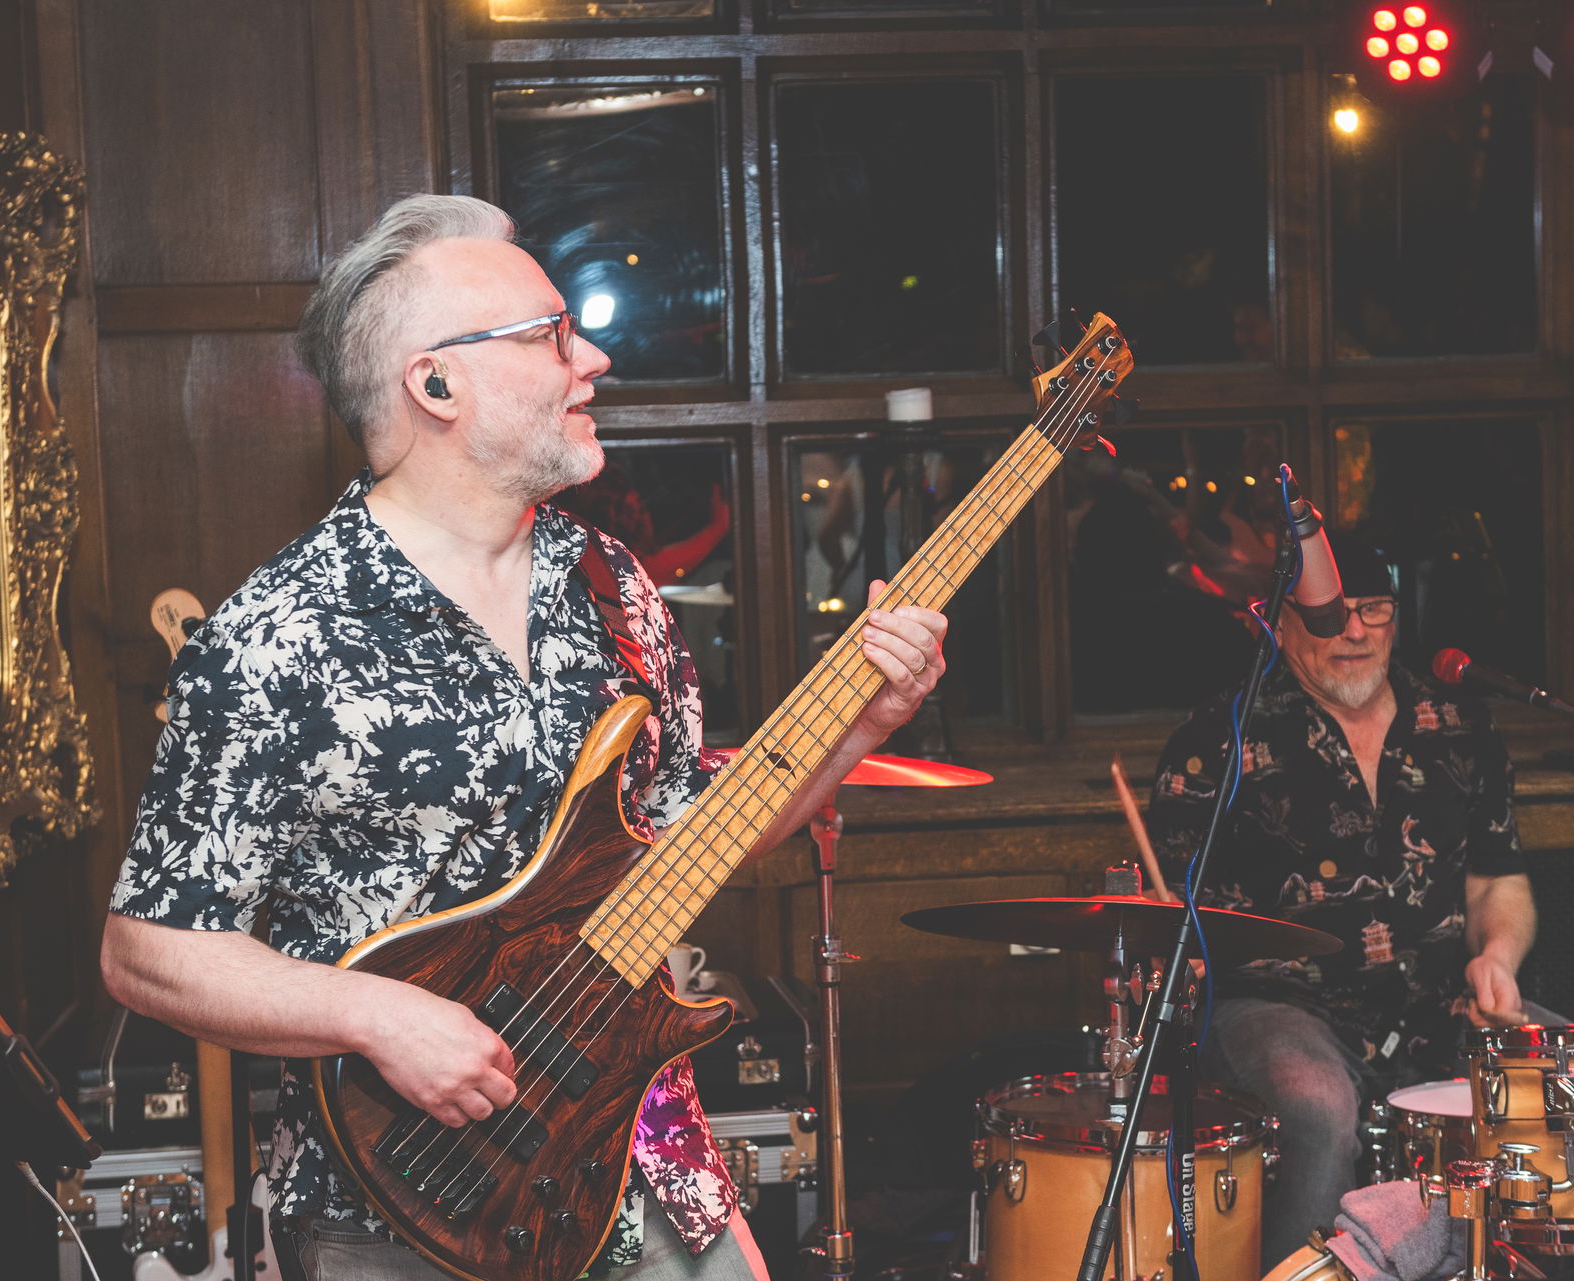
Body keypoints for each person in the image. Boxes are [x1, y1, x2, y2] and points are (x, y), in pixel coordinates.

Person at [100, 194, 949, 1281]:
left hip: (647, 1161)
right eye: (550, 334)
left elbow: (697, 835)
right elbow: (149, 948)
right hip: (404, 1206)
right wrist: (378, 1016)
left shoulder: (613, 583)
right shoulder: (278, 636)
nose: (590, 358)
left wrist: (864, 723)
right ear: (435, 385)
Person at [1144, 533, 1541, 1266]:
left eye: (1374, 609)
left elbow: (1496, 878)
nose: (1355, 630)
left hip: (1435, 1003)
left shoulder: (1460, 725)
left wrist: (1497, 955)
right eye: (1330, 615)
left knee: (1573, 1076)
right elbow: (1166, 907)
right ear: (1279, 623)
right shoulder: (1218, 741)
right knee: (1317, 1106)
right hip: (1278, 1004)